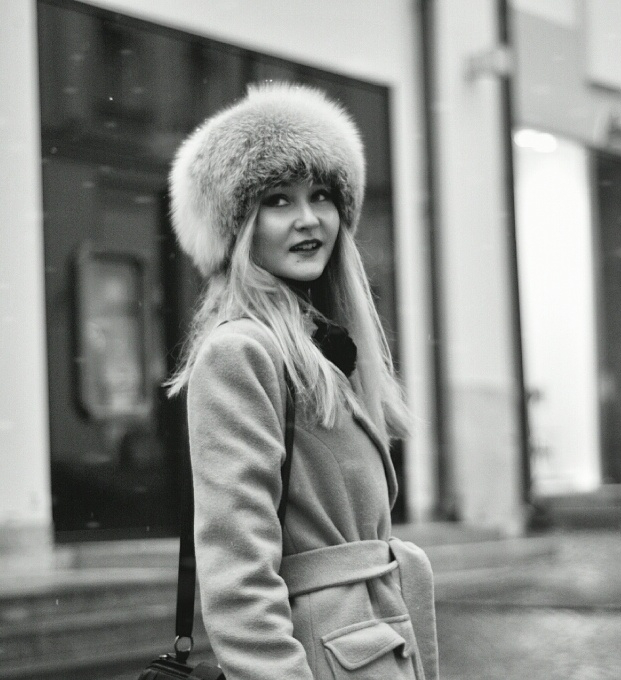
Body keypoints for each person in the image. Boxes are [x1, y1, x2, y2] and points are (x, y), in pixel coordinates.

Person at [166, 82, 438, 680]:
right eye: (278, 200)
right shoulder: (241, 352)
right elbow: (239, 578)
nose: (309, 219)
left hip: (369, 645)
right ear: (238, 227)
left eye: (321, 195)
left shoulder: (325, 346)